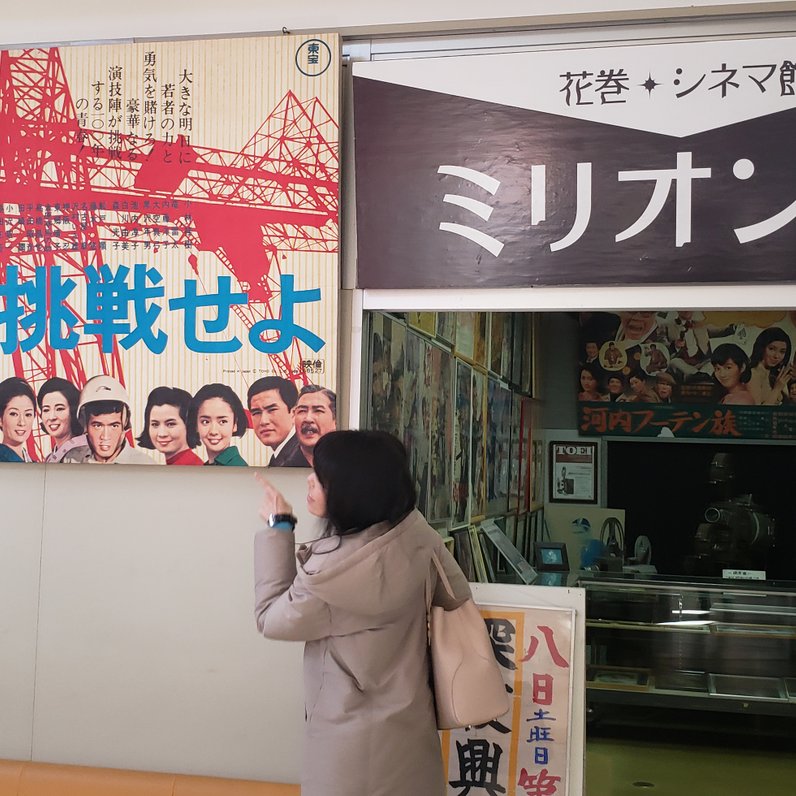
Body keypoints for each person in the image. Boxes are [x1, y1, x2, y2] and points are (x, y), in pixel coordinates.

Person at [254, 430, 470, 796]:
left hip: (347, 751)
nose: (310, 481)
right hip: (411, 733)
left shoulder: (330, 576)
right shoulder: (420, 538)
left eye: (321, 478)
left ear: (351, 491)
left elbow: (271, 619)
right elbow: (457, 596)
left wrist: (280, 529)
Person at [62, 375, 155, 464]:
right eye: (97, 426)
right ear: (84, 425)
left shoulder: (145, 465)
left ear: (125, 424)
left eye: (114, 426)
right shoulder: (72, 460)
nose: (105, 436)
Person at [247, 376, 306, 467]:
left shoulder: (302, 456)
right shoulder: (282, 455)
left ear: (294, 413)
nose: (263, 421)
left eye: (271, 410)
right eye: (256, 412)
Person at [137, 386, 203, 465]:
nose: (162, 434)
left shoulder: (191, 467)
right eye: (155, 424)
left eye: (170, 424)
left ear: (188, 425)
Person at [190, 383, 249, 466]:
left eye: (222, 422)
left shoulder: (237, 468)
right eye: (205, 422)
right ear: (196, 425)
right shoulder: (207, 467)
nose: (213, 431)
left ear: (235, 424)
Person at [37, 377, 87, 463]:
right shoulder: (52, 456)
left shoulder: (82, 454)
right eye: (46, 410)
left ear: (73, 412)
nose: (52, 417)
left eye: (59, 409)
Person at [293, 384, 336, 467]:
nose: (308, 419)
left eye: (318, 411)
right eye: (302, 411)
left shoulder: (347, 463)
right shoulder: (284, 465)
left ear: (335, 420)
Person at [748, 327, 792, 405]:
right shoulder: (753, 374)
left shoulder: (776, 375)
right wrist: (777, 389)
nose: (776, 356)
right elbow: (757, 413)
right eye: (771, 349)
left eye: (782, 352)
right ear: (761, 347)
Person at [0, 377, 36, 463]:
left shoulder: (31, 462)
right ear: (0, 419)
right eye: (14, 414)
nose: (22, 422)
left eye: (28, 414)